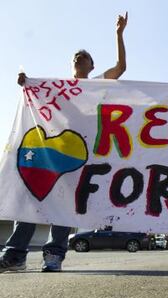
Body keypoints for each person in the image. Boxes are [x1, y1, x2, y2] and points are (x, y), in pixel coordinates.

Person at [0, 12, 128, 273]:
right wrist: (26, 84)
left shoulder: (96, 86)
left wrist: (118, 34)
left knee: (66, 205)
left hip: (77, 156)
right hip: (48, 154)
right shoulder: (53, 90)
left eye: (85, 57)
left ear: (92, 67)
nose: (79, 57)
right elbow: (33, 103)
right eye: (76, 57)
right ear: (72, 65)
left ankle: (54, 255)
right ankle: (15, 255)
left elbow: (121, 67)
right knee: (29, 198)